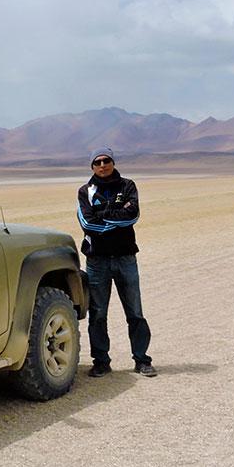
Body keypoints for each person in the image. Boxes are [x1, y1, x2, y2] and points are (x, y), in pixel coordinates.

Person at [77, 146, 155, 377]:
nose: (102, 165)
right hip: (97, 261)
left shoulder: (127, 186)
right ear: (92, 166)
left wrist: (104, 216)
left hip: (125, 257)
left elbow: (133, 215)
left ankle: (142, 360)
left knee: (135, 311)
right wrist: (116, 217)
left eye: (106, 160)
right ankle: (101, 361)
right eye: (98, 162)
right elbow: (88, 223)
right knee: (98, 313)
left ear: (113, 162)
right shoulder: (85, 191)